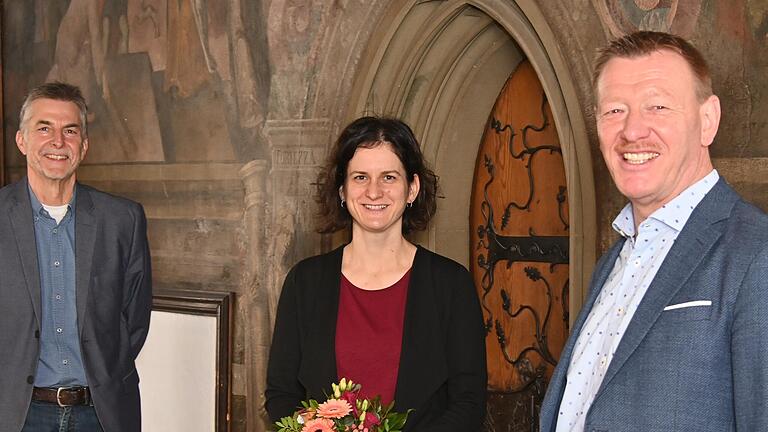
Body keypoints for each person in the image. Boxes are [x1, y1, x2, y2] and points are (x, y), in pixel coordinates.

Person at [540, 31, 768, 431]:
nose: (632, 131)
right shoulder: (615, 259)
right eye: (614, 111)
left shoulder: (756, 254)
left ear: (708, 120)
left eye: (658, 106)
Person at [265, 116, 487, 431]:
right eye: (360, 177)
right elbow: (281, 395)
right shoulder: (305, 282)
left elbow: (469, 401)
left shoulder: (451, 284)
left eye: (388, 177)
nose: (373, 191)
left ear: (412, 188)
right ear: (342, 189)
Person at [0, 82, 153, 432]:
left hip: (100, 414)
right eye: (44, 128)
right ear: (21, 141)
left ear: (83, 146)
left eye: (70, 130)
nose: (58, 141)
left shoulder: (123, 219)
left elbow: (135, 319)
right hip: (16, 415)